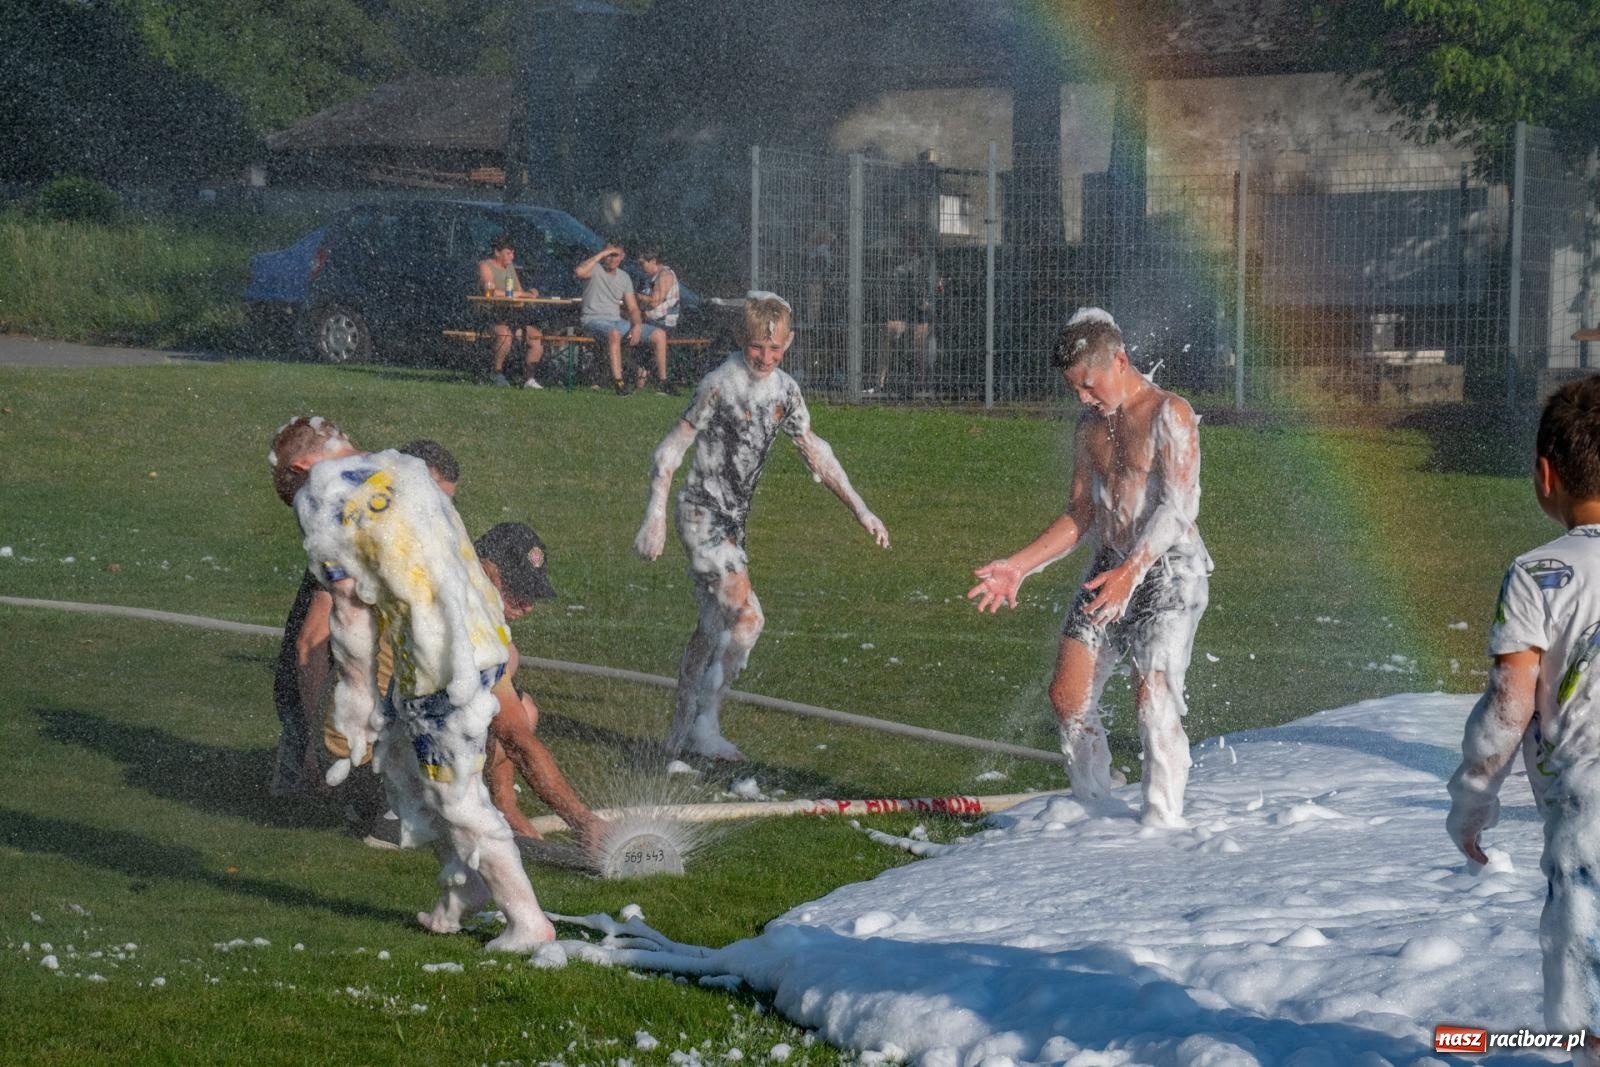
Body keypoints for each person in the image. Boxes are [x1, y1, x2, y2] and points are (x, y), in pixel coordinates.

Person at [269, 416, 555, 950]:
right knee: (400, 757)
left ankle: (528, 920)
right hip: (478, 639)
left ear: (303, 468)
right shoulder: (402, 468)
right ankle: (464, 883)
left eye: (293, 489)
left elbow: (350, 613)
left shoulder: (322, 501)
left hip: (439, 664)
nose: (301, 503)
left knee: (459, 799)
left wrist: (355, 694)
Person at [968, 308, 1211, 829]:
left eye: (1088, 384)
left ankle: (1162, 824)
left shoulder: (1171, 412)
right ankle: (1093, 808)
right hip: (1111, 564)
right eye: (1073, 389)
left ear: (1119, 360)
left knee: (1152, 697)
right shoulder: (1089, 428)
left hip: (1169, 570)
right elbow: (1082, 512)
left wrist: (1133, 571)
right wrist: (1019, 566)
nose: (1082, 398)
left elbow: (1179, 508)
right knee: (1068, 697)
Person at [634, 292, 890, 760]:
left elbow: (817, 453)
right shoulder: (719, 384)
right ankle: (704, 727)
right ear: (741, 340)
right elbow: (669, 451)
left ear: (789, 344)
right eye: (757, 347)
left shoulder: (786, 392)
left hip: (733, 523)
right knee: (749, 619)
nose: (765, 358)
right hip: (699, 513)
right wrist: (654, 517)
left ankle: (677, 732)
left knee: (712, 628)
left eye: (775, 350)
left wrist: (861, 509)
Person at [1448, 375, 1600, 1064]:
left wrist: (1473, 802)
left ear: (1545, 475)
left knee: (1582, 995)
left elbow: (1510, 705)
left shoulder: (1540, 573)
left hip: (1588, 814)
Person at [270, 438, 458, 807]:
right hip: (317, 705)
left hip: (359, 705)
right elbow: (310, 645)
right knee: (307, 807)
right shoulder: (351, 542)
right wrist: (314, 741)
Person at [472, 522, 605, 853]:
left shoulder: (474, 597)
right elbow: (516, 741)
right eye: (518, 588)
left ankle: (503, 806)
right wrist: (584, 822)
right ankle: (405, 809)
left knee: (521, 703)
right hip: (389, 754)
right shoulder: (465, 624)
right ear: (486, 568)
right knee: (512, 720)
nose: (527, 605)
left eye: (532, 592)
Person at [575, 241, 673, 396]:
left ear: (622, 257)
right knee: (614, 333)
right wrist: (602, 253)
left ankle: (663, 382)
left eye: (616, 255)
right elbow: (579, 272)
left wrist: (637, 326)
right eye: (609, 255)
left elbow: (633, 308)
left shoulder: (624, 277)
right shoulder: (594, 269)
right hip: (593, 321)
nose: (613, 259)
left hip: (617, 321)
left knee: (659, 334)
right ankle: (619, 383)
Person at [477, 233, 545, 389]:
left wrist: (531, 294)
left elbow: (519, 290)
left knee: (536, 338)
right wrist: (521, 294)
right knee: (505, 336)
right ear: (497, 252)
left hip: (513, 315)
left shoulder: (510, 268)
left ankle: (528, 378)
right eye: (508, 253)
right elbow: (491, 292)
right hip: (491, 315)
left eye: (513, 253)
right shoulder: (485, 266)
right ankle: (497, 373)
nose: (512, 257)